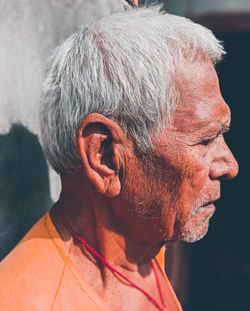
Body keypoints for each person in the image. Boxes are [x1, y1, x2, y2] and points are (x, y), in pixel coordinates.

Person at [0, 5, 238, 311]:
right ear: (106, 157)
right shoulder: (27, 302)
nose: (230, 166)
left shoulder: (142, 240)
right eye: (205, 140)